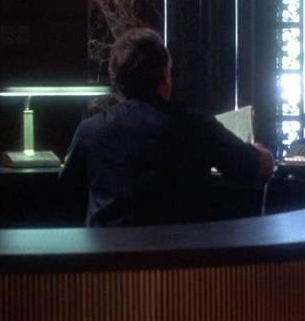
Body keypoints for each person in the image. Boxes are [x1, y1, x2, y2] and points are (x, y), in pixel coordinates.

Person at [58, 27, 275, 227]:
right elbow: (257, 167)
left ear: (117, 80)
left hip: (107, 263)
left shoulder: (90, 131)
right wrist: (261, 152)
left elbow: (67, 191)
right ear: (165, 75)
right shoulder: (195, 126)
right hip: (178, 261)